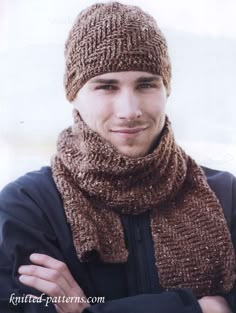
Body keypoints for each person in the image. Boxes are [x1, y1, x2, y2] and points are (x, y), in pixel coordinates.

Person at [0, 2, 235, 313]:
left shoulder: (225, 195)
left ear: (166, 90)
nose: (129, 110)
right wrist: (200, 308)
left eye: (147, 84)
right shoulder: (28, 207)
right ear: (74, 94)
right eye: (106, 87)